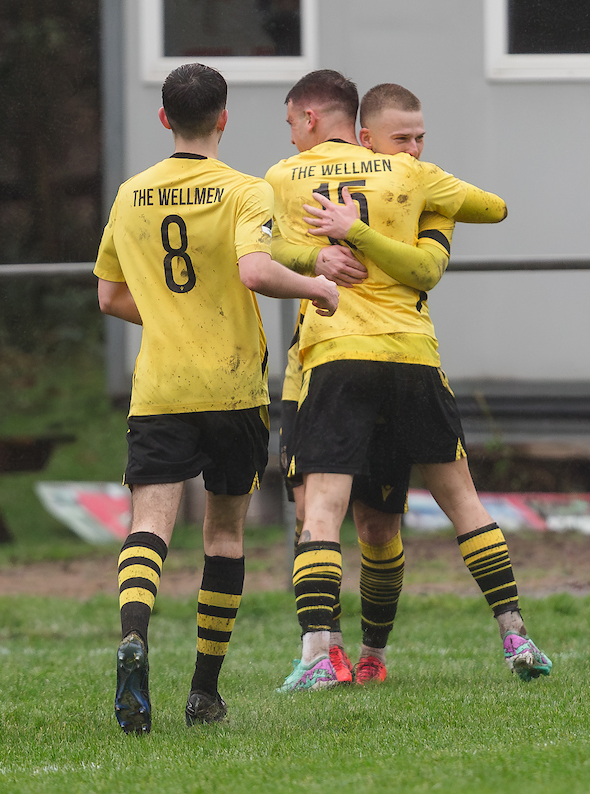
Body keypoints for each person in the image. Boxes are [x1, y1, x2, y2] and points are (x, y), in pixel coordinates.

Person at [266, 71, 550, 692]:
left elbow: (262, 252)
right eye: (406, 138)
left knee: (326, 512)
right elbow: (495, 209)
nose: (416, 149)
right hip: (410, 360)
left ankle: (328, 653)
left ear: (311, 122)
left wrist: (340, 238)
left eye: (421, 139)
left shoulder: (286, 178)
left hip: (337, 358)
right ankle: (511, 632)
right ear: (366, 136)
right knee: (440, 506)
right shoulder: (416, 182)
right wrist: (424, 202)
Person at [94, 63, 339, 734]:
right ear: (224, 118)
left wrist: (171, 318)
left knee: (150, 524)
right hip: (231, 389)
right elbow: (255, 270)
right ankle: (203, 691)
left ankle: (135, 636)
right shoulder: (243, 190)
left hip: (162, 388)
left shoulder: (131, 193)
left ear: (165, 118)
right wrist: (316, 287)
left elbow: (109, 295)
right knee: (224, 535)